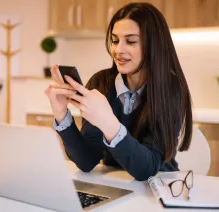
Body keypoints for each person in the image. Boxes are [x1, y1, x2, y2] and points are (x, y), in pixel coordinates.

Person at [45, 2, 192, 181]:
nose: (118, 50)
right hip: (118, 185)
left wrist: (108, 122)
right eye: (115, 40)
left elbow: (147, 168)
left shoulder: (170, 89)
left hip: (160, 187)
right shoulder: (101, 82)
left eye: (130, 41)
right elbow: (86, 160)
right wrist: (62, 115)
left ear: (154, 45)